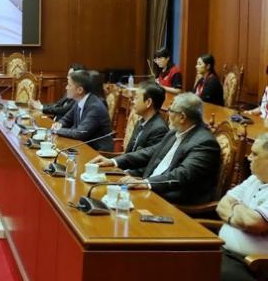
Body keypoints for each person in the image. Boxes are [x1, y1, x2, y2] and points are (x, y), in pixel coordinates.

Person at [90, 92, 221, 205]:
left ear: (182, 117)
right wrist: (114, 161)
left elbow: (182, 175)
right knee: (101, 193)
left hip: (173, 201)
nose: (168, 114)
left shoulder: (205, 143)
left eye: (171, 111)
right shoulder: (175, 132)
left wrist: (146, 183)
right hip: (152, 188)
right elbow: (150, 152)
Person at [216, 133, 268, 281]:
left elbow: (254, 223)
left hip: (254, 267)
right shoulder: (254, 179)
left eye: (255, 154)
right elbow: (222, 205)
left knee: (202, 275)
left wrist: (235, 208)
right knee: (183, 261)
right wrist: (241, 214)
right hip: (225, 252)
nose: (249, 157)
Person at [52, 69, 114, 151]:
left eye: (69, 85)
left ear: (80, 90)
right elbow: (66, 119)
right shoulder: (79, 100)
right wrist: (58, 124)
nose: (66, 87)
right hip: (83, 146)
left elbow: (80, 133)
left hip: (98, 152)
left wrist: (57, 130)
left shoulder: (95, 107)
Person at [124, 81, 168, 152]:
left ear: (148, 102)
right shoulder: (141, 121)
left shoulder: (159, 130)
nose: (133, 101)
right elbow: (128, 152)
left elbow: (145, 157)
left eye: (136, 98)